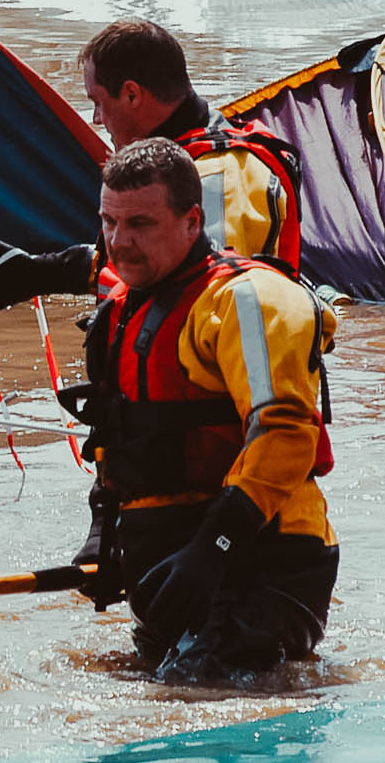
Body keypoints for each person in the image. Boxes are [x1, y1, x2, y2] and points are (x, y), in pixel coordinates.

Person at [58, 138, 338, 683]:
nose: (119, 242)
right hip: (171, 563)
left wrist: (213, 548)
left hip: (260, 558)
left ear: (192, 221)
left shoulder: (246, 301)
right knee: (129, 687)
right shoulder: (123, 305)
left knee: (190, 699)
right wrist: (105, 535)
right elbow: (121, 437)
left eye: (139, 224)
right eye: (109, 223)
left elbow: (285, 434)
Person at [0, 18, 304, 317]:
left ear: (132, 95)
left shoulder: (220, 174)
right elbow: (161, 265)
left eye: (98, 103)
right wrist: (46, 272)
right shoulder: (183, 159)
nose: (97, 119)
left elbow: (206, 299)